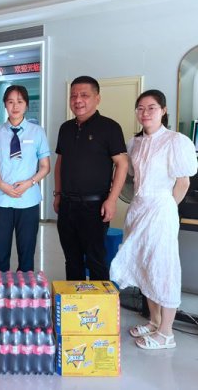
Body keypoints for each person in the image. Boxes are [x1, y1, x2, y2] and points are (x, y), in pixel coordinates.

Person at [110, 89, 197, 350]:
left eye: (151, 108)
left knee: (163, 267)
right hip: (138, 208)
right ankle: (155, 321)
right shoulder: (134, 143)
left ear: (163, 110)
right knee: (144, 264)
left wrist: (167, 208)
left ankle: (167, 333)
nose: (145, 113)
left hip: (161, 210)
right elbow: (130, 177)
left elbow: (183, 182)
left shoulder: (175, 141)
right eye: (140, 108)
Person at [53, 75, 128, 281]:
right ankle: (75, 300)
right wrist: (58, 194)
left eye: (84, 95)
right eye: (73, 96)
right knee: (72, 260)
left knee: (96, 260)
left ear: (97, 98)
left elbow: (122, 164)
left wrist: (112, 200)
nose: (78, 100)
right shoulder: (65, 128)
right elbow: (60, 162)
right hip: (67, 205)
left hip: (95, 207)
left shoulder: (110, 127)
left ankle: (99, 302)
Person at [0, 85, 50, 272]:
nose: (15, 106)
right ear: (5, 105)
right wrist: (2, 185)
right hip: (1, 200)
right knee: (0, 255)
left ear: (26, 105)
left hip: (28, 200)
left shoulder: (37, 132)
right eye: (10, 102)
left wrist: (30, 183)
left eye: (20, 102)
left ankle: (24, 290)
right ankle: (1, 289)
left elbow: (45, 167)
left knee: (27, 254)